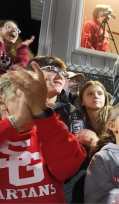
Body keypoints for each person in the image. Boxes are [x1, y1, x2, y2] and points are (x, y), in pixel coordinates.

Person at [0, 62, 86, 203]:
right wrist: (17, 122)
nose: (36, 102)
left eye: (39, 97)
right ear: (2, 101)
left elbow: (66, 169)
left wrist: (45, 118)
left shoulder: (52, 130)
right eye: (28, 93)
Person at [26, 56, 85, 203]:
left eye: (63, 74)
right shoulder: (11, 104)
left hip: (55, 190)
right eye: (52, 70)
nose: (60, 76)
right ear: (33, 73)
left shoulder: (71, 111)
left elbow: (74, 157)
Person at [77, 81, 111, 148]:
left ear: (105, 99)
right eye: (90, 94)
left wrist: (96, 143)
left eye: (100, 93)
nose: (96, 96)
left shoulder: (115, 117)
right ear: (82, 101)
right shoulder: (76, 120)